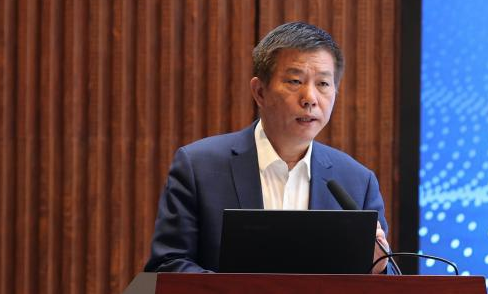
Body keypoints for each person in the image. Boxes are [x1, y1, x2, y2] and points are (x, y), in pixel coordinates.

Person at [145, 22, 390, 273]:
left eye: (323, 84)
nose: (310, 98)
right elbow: (168, 265)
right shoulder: (200, 167)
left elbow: (388, 284)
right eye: (295, 81)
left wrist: (379, 268)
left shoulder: (357, 182)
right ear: (260, 92)